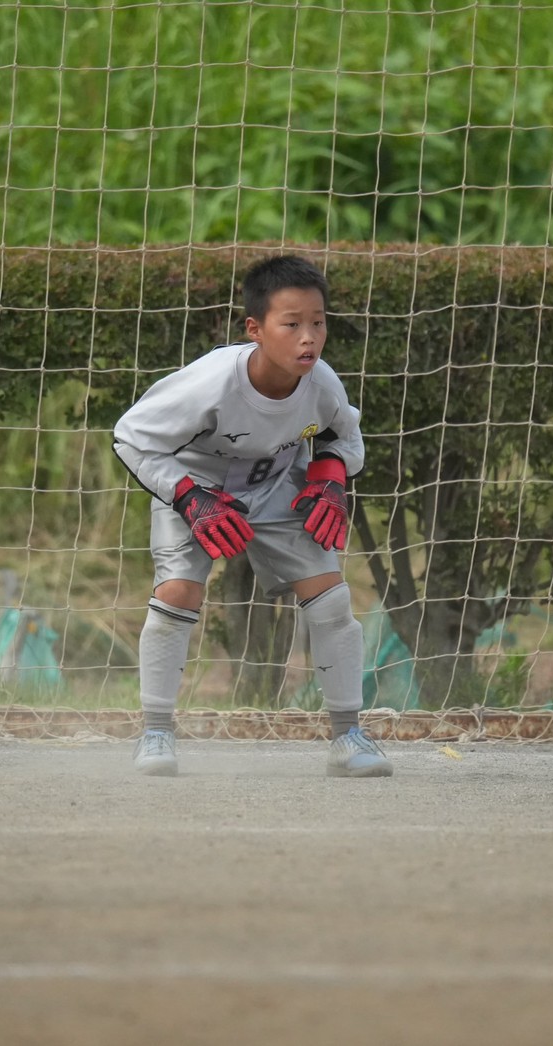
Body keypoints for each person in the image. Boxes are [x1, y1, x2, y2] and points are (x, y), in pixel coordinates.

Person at [113, 255, 392, 778]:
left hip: (277, 488)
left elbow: (344, 436)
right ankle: (154, 733)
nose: (308, 337)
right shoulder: (212, 382)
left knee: (332, 598)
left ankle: (348, 737)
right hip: (198, 488)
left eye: (318, 322)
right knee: (178, 592)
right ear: (255, 329)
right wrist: (190, 498)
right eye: (291, 324)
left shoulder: (323, 383)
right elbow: (131, 437)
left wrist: (330, 477)